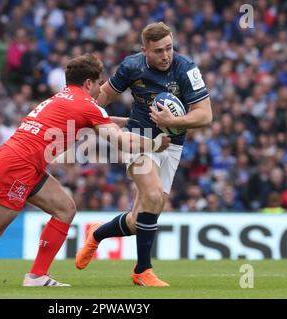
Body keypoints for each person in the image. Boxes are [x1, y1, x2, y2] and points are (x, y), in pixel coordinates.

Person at [0, 54, 170, 287]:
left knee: (65, 208)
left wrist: (130, 121)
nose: (101, 89)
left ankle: (37, 275)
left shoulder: (65, 98)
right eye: (99, 83)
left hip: (24, 160)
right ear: (88, 82)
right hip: (19, 165)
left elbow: (98, 120)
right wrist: (155, 142)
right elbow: (119, 140)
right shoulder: (87, 105)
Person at [75, 22, 213, 286]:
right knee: (151, 194)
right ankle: (142, 270)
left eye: (169, 48)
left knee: (142, 218)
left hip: (172, 145)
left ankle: (97, 234)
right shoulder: (131, 66)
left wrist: (174, 120)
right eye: (159, 50)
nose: (165, 55)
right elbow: (103, 97)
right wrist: (79, 115)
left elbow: (205, 115)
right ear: (144, 51)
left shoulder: (186, 69)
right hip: (138, 140)